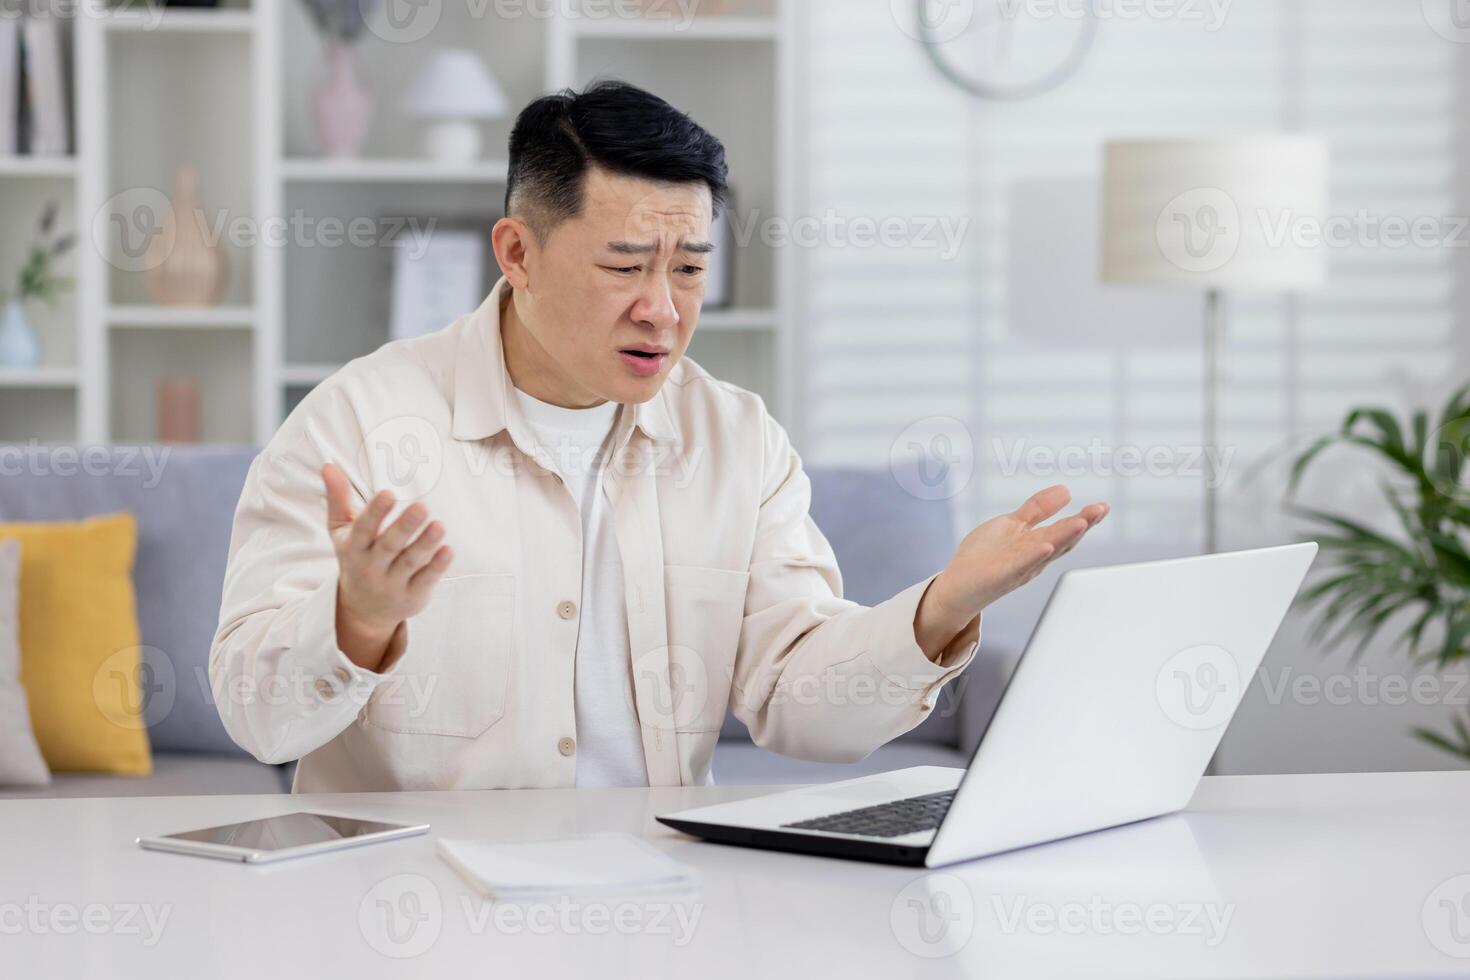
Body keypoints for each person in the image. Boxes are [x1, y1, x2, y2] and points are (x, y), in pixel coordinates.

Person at [209, 80, 1108, 793]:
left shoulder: (738, 440)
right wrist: (356, 620)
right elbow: (257, 720)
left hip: (660, 908)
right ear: (517, 254)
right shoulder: (358, 424)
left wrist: (939, 609)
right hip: (407, 907)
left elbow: (801, 706)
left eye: (688, 269)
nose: (663, 310)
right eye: (625, 266)